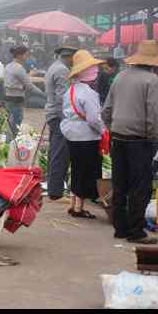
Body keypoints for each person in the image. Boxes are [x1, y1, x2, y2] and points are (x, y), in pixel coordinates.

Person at [102, 40, 158, 244]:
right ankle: (136, 231)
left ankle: (120, 228)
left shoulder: (120, 76)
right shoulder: (152, 81)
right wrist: (154, 138)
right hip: (139, 140)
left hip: (118, 137)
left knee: (120, 183)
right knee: (140, 186)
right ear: (153, 62)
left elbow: (106, 110)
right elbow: (155, 115)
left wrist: (114, 128)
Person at [60, 50, 106, 219]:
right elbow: (94, 119)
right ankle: (79, 208)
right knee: (86, 172)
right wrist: (103, 130)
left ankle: (73, 205)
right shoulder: (90, 93)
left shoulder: (70, 90)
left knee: (76, 169)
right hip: (86, 137)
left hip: (71, 135)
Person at [44, 45, 77, 200]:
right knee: (60, 154)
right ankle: (56, 191)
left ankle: (53, 186)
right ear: (68, 56)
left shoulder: (54, 67)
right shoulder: (62, 70)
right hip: (59, 116)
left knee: (54, 152)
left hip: (53, 114)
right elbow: (62, 97)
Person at [4, 45, 47, 138]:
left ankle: (9, 143)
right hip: (17, 99)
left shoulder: (8, 66)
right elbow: (30, 86)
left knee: (9, 124)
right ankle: (14, 145)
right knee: (16, 124)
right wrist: (44, 95)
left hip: (8, 98)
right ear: (20, 56)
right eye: (26, 55)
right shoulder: (19, 68)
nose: (28, 57)